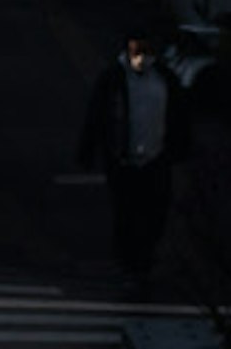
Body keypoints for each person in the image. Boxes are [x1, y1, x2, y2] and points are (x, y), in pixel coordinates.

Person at [79, 27, 190, 289]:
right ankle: (133, 264)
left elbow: (178, 115)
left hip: (155, 158)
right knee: (128, 214)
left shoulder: (163, 79)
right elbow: (96, 115)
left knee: (153, 213)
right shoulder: (114, 79)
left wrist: (180, 145)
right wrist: (89, 148)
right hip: (124, 159)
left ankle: (141, 260)